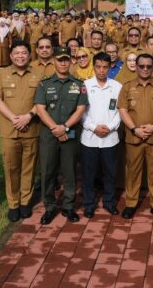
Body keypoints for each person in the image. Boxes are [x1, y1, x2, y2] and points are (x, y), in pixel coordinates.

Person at [34, 47, 88, 224]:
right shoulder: (45, 83)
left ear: (71, 61)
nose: (63, 63)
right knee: (48, 172)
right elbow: (40, 109)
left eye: (66, 59)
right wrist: (55, 129)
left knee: (69, 172)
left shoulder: (79, 84)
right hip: (49, 134)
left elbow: (80, 110)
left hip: (70, 133)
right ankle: (49, 207)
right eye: (59, 59)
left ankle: (68, 207)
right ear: (54, 61)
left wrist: (64, 127)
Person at [0, 41, 42, 222]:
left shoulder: (38, 74)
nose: (20, 56)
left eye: (24, 53)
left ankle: (26, 201)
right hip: (9, 130)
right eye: (17, 53)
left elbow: (42, 101)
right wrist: (13, 118)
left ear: (29, 55)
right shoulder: (1, 74)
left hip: (32, 128)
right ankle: (13, 203)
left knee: (29, 167)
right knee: (11, 168)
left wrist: (29, 116)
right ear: (11, 56)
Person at [117, 53, 153, 220]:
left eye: (149, 66)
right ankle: (131, 203)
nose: (145, 69)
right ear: (136, 67)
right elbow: (122, 110)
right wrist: (134, 129)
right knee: (133, 171)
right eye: (142, 66)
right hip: (134, 137)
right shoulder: (127, 87)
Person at [80, 52, 122, 218]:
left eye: (105, 67)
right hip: (89, 138)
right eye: (98, 66)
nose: (102, 70)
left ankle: (109, 202)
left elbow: (120, 111)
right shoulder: (86, 85)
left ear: (110, 67)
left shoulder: (117, 86)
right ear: (94, 66)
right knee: (88, 174)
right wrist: (93, 127)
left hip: (110, 138)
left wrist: (110, 127)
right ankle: (89, 204)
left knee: (110, 173)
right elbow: (81, 112)